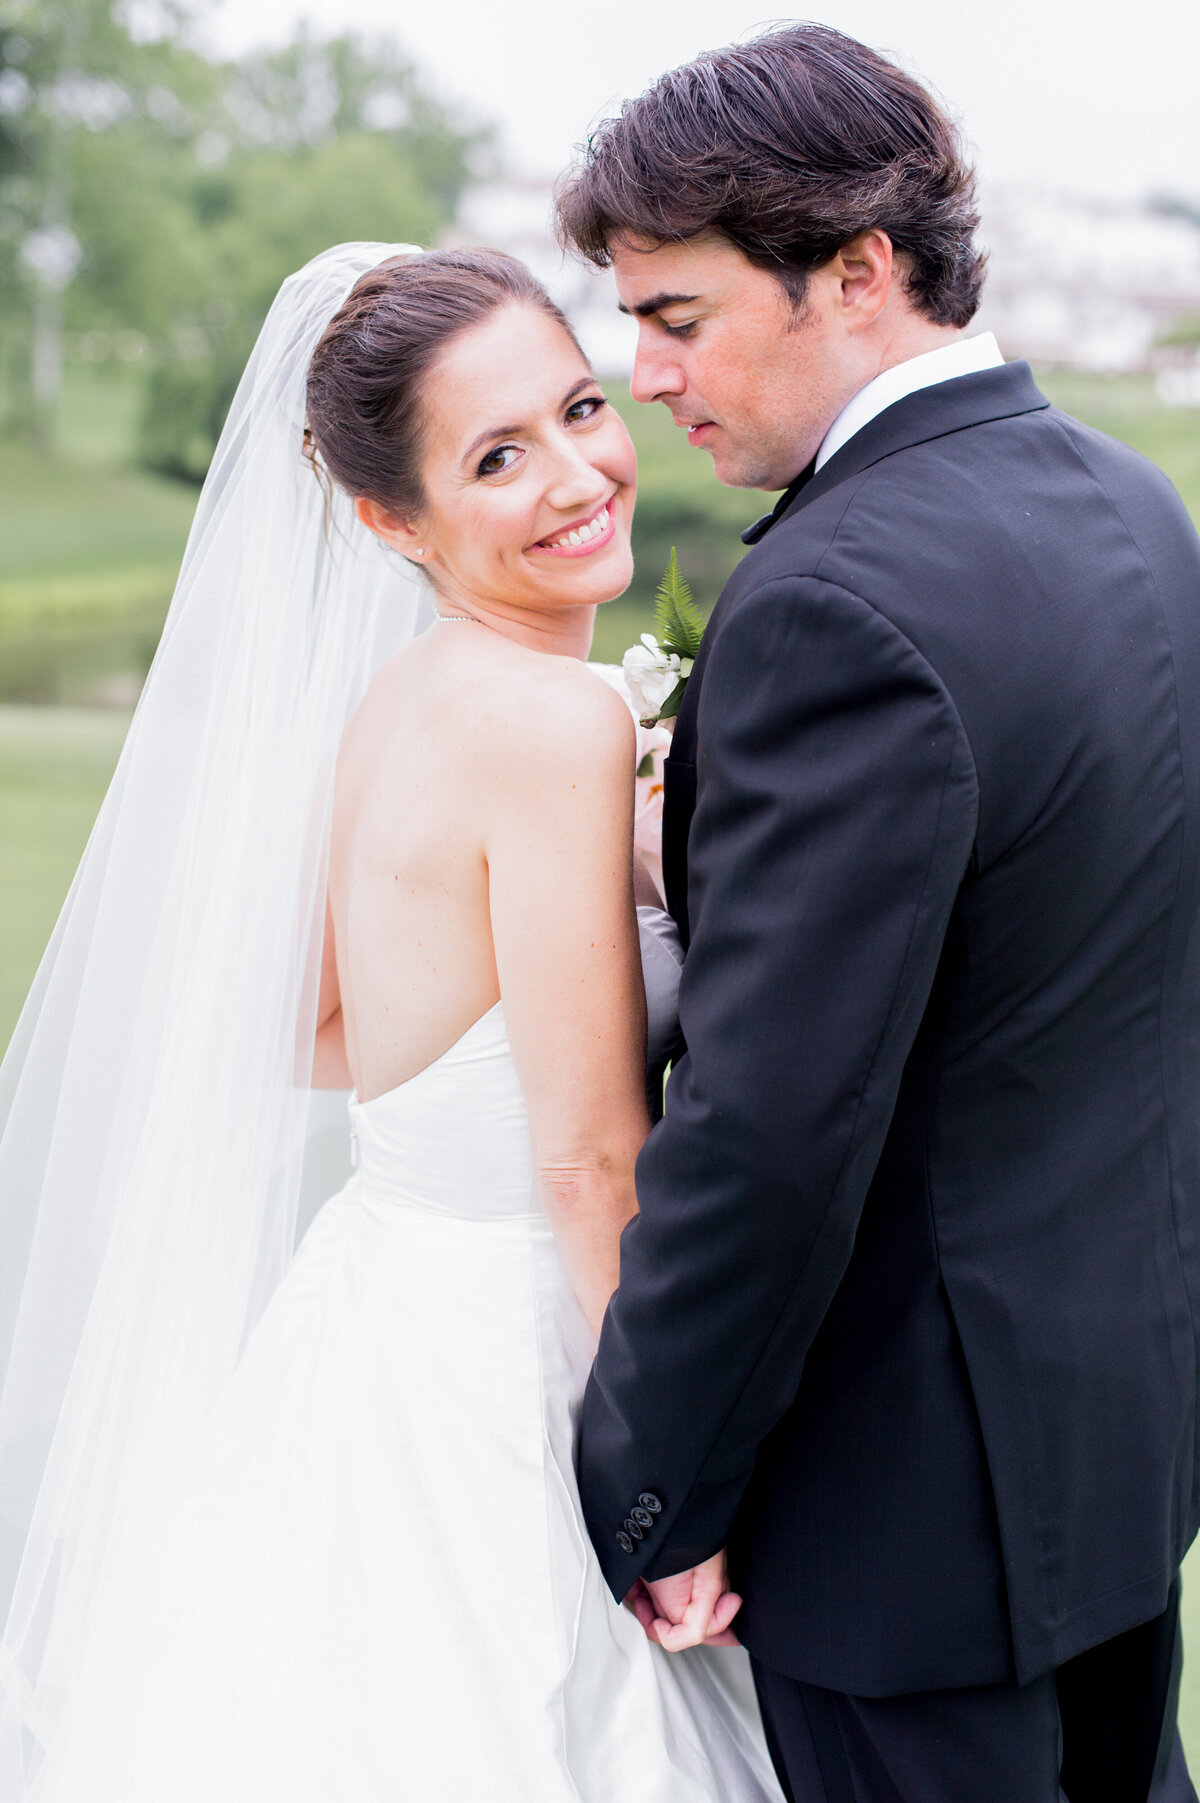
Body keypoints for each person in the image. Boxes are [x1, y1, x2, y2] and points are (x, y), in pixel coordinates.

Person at [0, 244, 782, 1800]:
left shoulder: (405, 699)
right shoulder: (558, 716)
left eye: (577, 406)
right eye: (499, 457)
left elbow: (313, 1021)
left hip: (370, 1307)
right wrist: (676, 1496)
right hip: (507, 1362)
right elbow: (587, 1166)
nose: (577, 474)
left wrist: (575, 940)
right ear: (387, 517)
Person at [556, 23, 1200, 1803]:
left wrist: (654, 1480)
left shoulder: (835, 600)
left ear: (858, 269)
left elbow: (774, 1125)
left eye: (675, 317)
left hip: (899, 1513)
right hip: (1115, 1442)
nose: (645, 372)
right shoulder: (1137, 513)